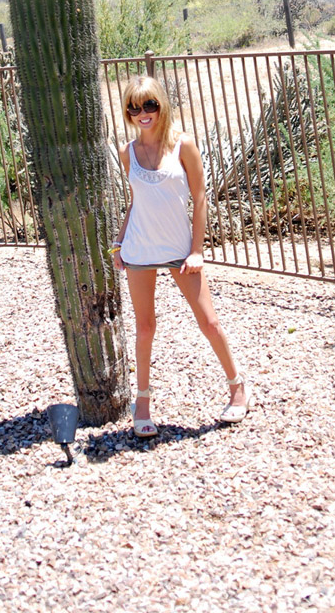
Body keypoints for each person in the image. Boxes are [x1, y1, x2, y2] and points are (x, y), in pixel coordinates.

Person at [111, 74, 254, 438]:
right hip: (140, 248)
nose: (142, 113)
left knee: (209, 322)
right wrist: (119, 244)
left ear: (161, 105)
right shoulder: (128, 152)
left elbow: (201, 197)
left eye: (149, 105)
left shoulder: (183, 144)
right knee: (145, 328)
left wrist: (197, 250)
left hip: (180, 250)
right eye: (134, 107)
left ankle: (238, 387)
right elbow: (136, 202)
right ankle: (142, 403)